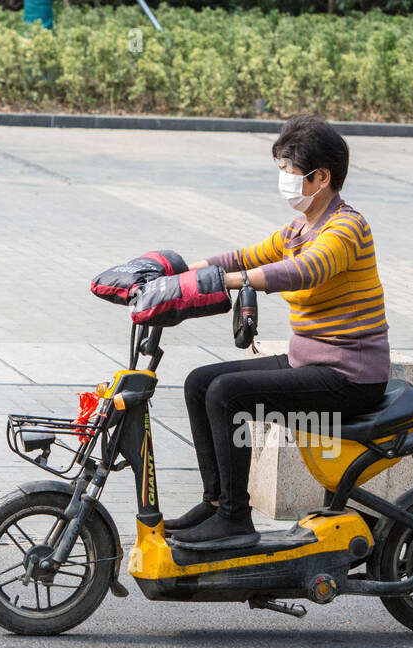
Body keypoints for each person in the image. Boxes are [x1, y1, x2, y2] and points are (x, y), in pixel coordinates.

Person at [136, 115, 391, 545]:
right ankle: (216, 504)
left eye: (289, 171)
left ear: (321, 177)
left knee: (227, 393)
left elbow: (303, 271)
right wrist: (176, 273)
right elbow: (243, 256)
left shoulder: (346, 228)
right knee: (200, 383)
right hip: (309, 361)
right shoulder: (299, 228)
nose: (284, 180)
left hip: (350, 377)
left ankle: (235, 518)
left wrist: (232, 283)